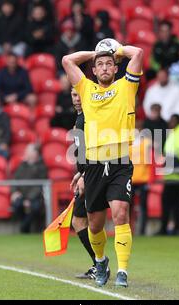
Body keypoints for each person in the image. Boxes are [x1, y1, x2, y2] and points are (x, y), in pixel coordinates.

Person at [62, 42, 143, 287]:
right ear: (94, 71)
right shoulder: (86, 89)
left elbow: (137, 53)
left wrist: (116, 49)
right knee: (95, 224)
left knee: (120, 214)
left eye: (109, 63)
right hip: (95, 165)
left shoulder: (126, 86)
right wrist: (96, 52)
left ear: (116, 69)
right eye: (100, 64)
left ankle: (123, 272)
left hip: (120, 162)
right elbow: (67, 60)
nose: (105, 67)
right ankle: (100, 260)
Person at [68, 88, 105, 280]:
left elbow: (92, 150)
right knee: (82, 220)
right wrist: (79, 172)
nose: (77, 99)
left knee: (81, 220)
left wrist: (84, 174)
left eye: (80, 95)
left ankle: (100, 264)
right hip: (87, 173)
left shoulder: (88, 118)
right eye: (74, 95)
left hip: (93, 174)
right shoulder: (80, 117)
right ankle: (99, 264)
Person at [158, 114, 179, 236]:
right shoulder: (175, 133)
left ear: (178, 122)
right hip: (172, 172)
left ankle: (168, 229)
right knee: (175, 203)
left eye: (172, 121)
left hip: (176, 172)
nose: (170, 123)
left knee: (170, 202)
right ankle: (176, 228)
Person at [11, 144, 47, 233]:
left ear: (35, 153)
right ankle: (25, 229)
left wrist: (29, 199)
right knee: (17, 205)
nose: (26, 153)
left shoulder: (41, 167)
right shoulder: (22, 166)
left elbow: (39, 186)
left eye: (28, 151)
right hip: (22, 195)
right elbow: (15, 180)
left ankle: (23, 228)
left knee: (35, 208)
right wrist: (14, 192)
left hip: (36, 197)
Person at [130, 120, 154, 235]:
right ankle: (129, 229)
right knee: (128, 206)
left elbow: (151, 162)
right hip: (130, 178)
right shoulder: (128, 142)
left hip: (143, 179)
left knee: (143, 206)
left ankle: (142, 231)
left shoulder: (147, 142)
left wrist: (150, 180)